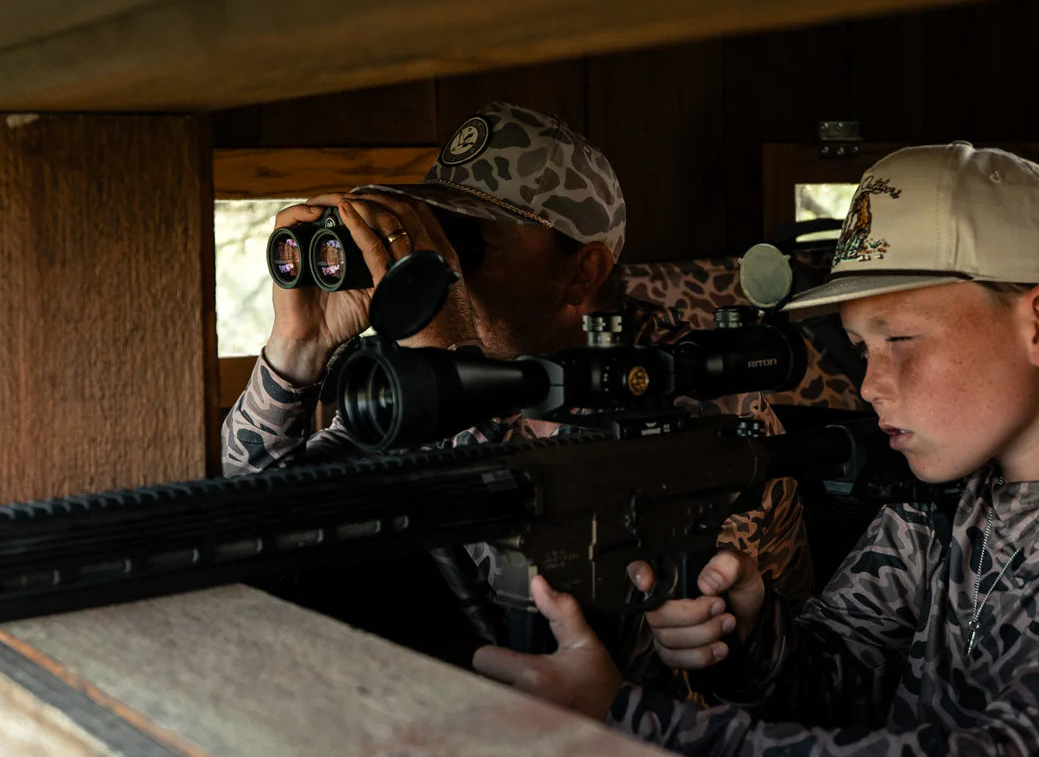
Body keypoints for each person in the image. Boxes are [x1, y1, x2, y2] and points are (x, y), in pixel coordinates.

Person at [473, 141, 1039, 757]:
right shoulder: (948, 488)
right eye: (859, 347)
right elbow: (843, 676)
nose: (872, 385)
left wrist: (626, 724)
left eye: (900, 339)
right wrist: (752, 637)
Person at [221, 102, 813, 631]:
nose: (446, 264)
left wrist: (449, 361)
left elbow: (592, 619)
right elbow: (260, 517)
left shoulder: (696, 388)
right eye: (438, 235)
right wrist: (298, 351)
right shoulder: (417, 372)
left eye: (471, 243)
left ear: (583, 271)